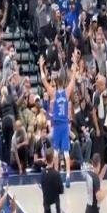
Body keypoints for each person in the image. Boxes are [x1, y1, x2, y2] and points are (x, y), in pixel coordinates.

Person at [39, 50, 79, 188]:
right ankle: (67, 176)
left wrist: (41, 67)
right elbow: (73, 78)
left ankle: (56, 175)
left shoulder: (53, 93)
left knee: (56, 152)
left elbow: (43, 80)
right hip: (64, 126)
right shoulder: (67, 92)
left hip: (57, 126)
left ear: (56, 82)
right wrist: (75, 63)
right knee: (66, 153)